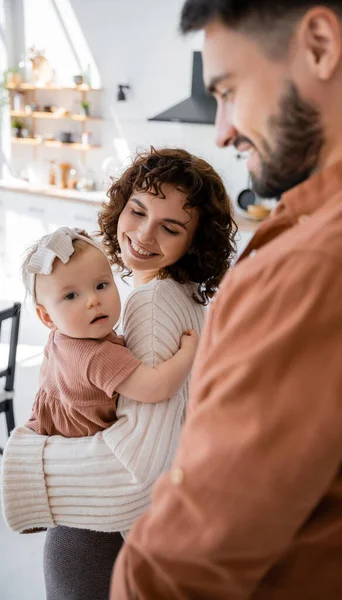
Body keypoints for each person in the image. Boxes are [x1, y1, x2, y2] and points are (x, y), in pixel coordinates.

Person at [109, 2, 342, 599]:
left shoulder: (321, 269)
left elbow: (178, 575)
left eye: (229, 89)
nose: (222, 130)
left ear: (319, 44)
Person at [1, 147, 237, 600]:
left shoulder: (149, 305)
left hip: (93, 529)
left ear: (195, 240)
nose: (143, 235)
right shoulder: (182, 295)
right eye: (138, 209)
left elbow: (136, 465)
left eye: (170, 227)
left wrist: (23, 462)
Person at [22, 226, 198, 437]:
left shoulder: (57, 338)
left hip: (44, 428)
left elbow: (44, 377)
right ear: (47, 317)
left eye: (101, 285)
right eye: (70, 296)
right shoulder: (99, 357)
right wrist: (188, 352)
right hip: (75, 448)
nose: (93, 300)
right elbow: (157, 386)